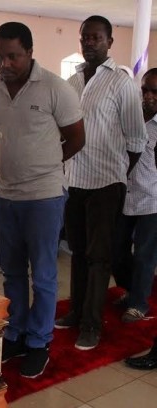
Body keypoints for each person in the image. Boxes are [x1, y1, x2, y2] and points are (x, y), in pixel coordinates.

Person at [0, 22, 85, 378]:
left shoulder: (56, 88)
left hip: (43, 197)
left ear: (29, 53)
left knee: (42, 275)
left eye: (13, 56)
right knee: (11, 272)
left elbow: (76, 138)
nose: (5, 64)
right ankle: (16, 332)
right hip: (5, 195)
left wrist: (45, 167)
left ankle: (39, 342)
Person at [56, 15, 148, 351]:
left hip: (107, 182)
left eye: (96, 38)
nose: (89, 43)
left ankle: (92, 325)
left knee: (98, 257)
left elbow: (136, 139)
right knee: (78, 252)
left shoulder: (122, 83)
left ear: (110, 42)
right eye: (84, 38)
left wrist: (119, 175)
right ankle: (77, 311)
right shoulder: (72, 81)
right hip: (75, 181)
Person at [115, 68, 157, 323]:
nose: (149, 96)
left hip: (151, 197)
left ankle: (139, 304)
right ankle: (131, 290)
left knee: (144, 254)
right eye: (145, 89)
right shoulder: (130, 117)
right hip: (123, 194)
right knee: (116, 249)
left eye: (155, 91)